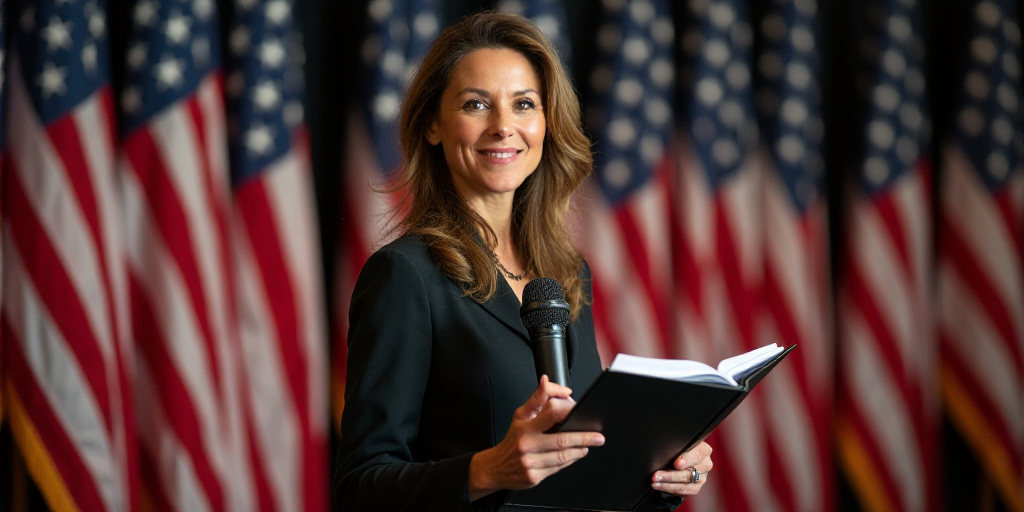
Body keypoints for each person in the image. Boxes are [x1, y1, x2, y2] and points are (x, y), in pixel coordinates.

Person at [335, 12, 712, 511]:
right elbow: (360, 488)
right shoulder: (406, 276)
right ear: (432, 125)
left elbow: (582, 475)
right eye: (475, 104)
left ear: (546, 123)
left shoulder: (568, 273)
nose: (503, 127)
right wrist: (488, 470)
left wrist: (661, 474)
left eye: (524, 104)